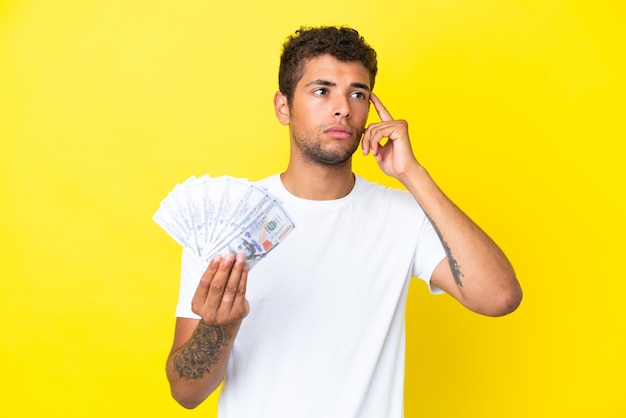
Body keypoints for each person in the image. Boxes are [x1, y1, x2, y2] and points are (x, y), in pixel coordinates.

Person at [165, 26, 522, 417]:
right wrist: (220, 326)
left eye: (358, 93)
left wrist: (412, 173)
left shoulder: (402, 215)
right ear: (283, 107)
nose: (343, 108)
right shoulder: (227, 220)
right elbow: (186, 393)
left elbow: (499, 297)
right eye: (322, 90)